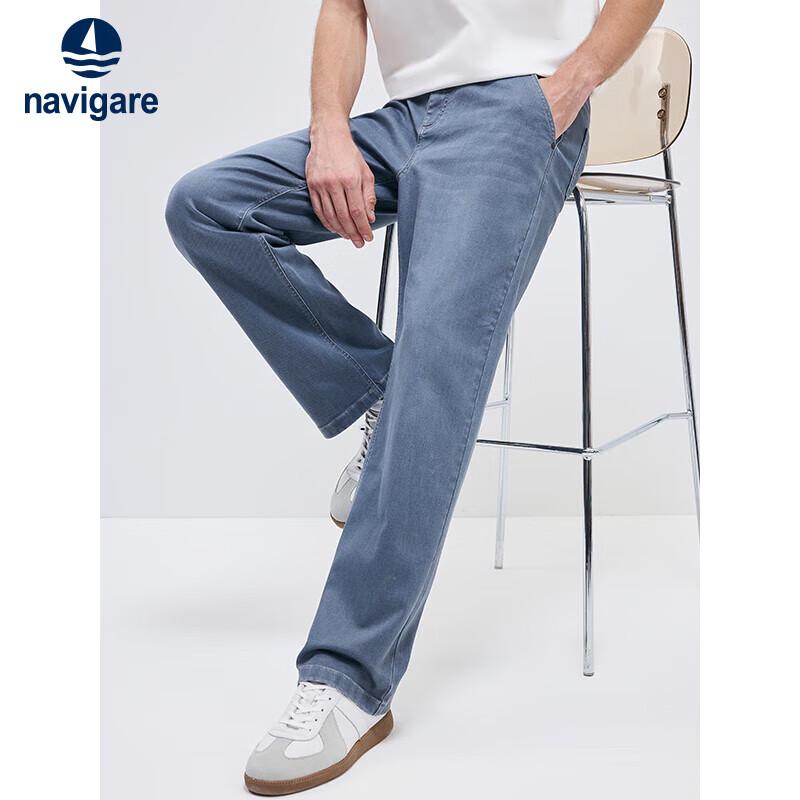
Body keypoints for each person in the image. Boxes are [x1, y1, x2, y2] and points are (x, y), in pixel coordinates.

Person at [165, 0, 664, 793]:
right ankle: (380, 394)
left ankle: (347, 678)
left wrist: (573, 82)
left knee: (438, 354)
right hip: (400, 121)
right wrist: (330, 129)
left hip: (516, 112)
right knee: (208, 204)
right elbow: (346, 6)